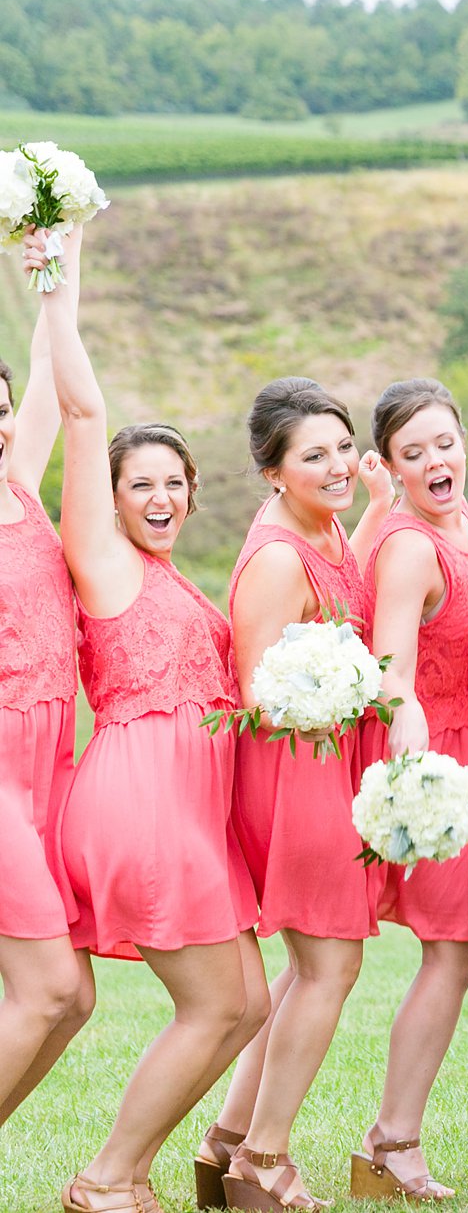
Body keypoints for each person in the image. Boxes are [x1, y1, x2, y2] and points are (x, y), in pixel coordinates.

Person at [30, 228, 264, 1213]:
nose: (160, 496)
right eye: (142, 484)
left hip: (189, 805)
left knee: (244, 1001)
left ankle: (121, 1172)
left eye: (175, 482)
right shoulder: (109, 564)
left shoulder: (177, 579)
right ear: (113, 503)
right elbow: (84, 412)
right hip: (139, 800)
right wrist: (56, 272)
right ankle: (107, 1178)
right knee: (219, 1002)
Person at [201, 374, 390, 1210]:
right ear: (274, 471)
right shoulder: (278, 555)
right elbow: (258, 693)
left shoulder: (326, 529)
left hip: (327, 761)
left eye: (344, 446)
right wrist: (352, 692)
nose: (339, 464)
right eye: (315, 455)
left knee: (313, 966)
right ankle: (262, 1161)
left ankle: (229, 1139)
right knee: (331, 965)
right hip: (294, 770)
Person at [353, 377, 468, 1201]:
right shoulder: (410, 543)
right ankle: (392, 1139)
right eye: (412, 453)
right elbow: (391, 668)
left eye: (443, 442)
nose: (433, 460)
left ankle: (383, 1137)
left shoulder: (459, 529)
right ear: (390, 467)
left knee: (464, 949)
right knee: (452, 952)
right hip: (442, 759)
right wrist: (411, 728)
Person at [0, 255, 82, 1140]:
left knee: (74, 1000)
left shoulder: (20, 490)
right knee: (48, 987)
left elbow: (56, 381)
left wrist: (62, 259)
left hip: (49, 770)